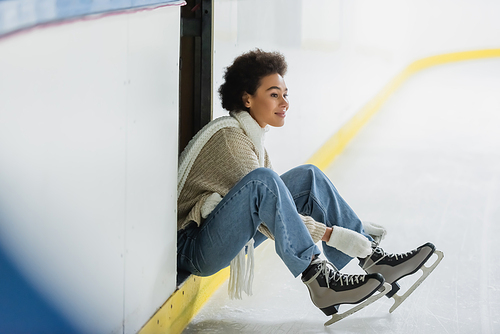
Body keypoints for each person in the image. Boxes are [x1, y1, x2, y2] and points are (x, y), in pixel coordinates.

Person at [176, 49, 442, 322]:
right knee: (266, 182)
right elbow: (274, 216)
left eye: (285, 94)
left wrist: (349, 234)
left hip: (213, 233)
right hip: (193, 247)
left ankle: (375, 259)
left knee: (307, 178)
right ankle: (320, 281)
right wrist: (333, 235)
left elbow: (276, 212)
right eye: (274, 94)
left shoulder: (249, 138)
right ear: (247, 98)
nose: (285, 103)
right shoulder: (232, 143)